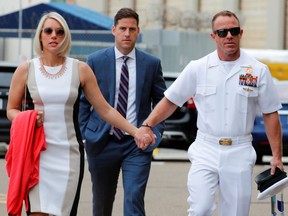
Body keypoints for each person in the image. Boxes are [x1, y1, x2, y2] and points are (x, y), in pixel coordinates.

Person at [135, 10, 284, 216]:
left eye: (233, 31)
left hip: (239, 150)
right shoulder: (198, 68)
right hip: (206, 148)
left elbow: (270, 113)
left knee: (236, 213)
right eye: (222, 32)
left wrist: (277, 156)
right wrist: (147, 125)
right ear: (213, 36)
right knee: (200, 209)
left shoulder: (257, 70)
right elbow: (171, 100)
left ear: (241, 33)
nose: (228, 36)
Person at [6, 11, 153, 216]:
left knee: (62, 212)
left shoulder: (80, 69)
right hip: (37, 155)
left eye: (59, 31)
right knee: (37, 212)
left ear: (66, 36)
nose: (53, 35)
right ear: (40, 35)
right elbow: (11, 110)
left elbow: (106, 109)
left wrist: (135, 131)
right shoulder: (26, 69)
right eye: (48, 31)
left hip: (68, 155)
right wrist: (25, 118)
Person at [78, 8, 166, 216]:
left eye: (131, 29)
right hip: (101, 141)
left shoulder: (151, 64)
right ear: (113, 30)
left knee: (134, 197)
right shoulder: (95, 61)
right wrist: (86, 134)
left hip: (137, 144)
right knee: (102, 202)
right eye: (122, 28)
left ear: (138, 32)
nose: (127, 33)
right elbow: (83, 103)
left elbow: (162, 101)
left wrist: (155, 132)